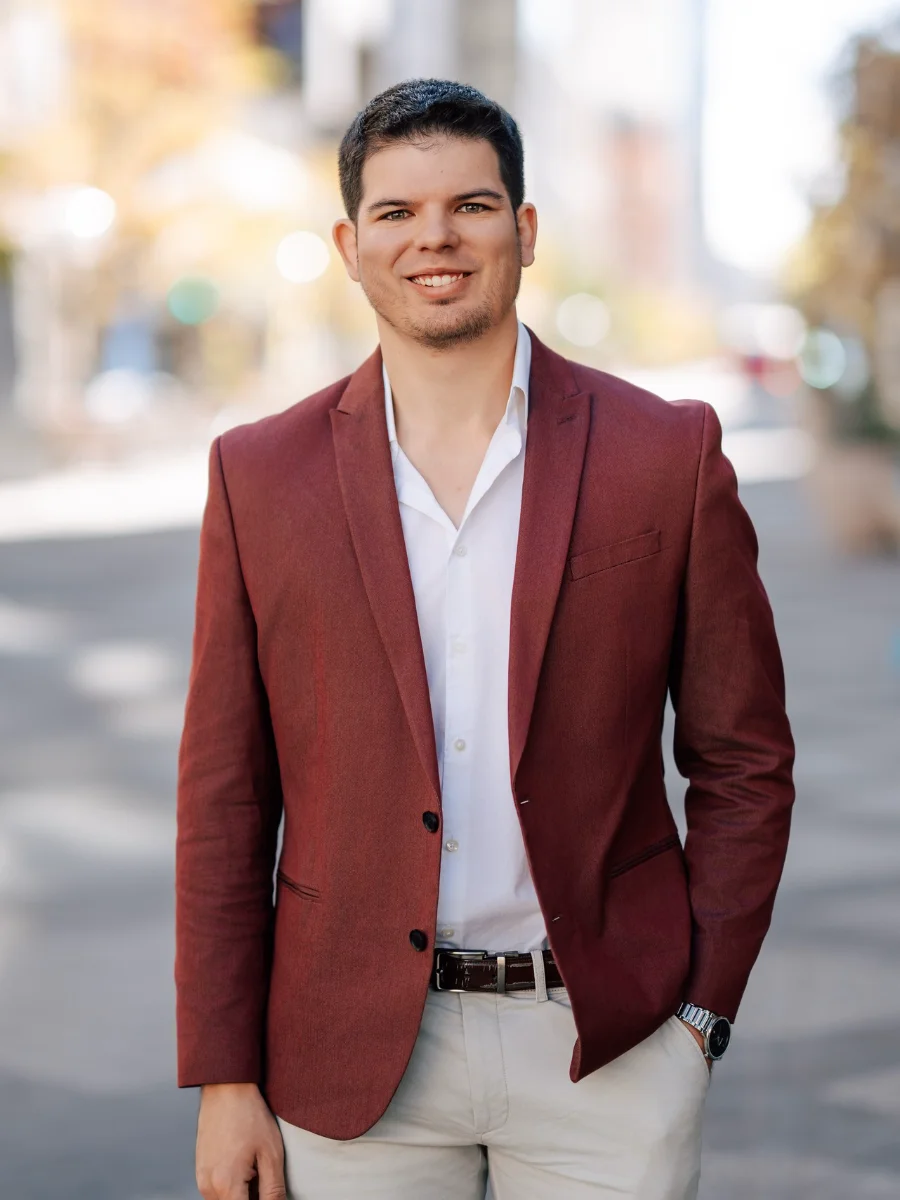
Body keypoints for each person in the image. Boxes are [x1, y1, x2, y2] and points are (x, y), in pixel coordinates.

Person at [175, 78, 796, 1200]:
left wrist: (700, 1017)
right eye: (396, 213)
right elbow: (224, 793)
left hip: (605, 1047)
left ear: (527, 229)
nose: (435, 239)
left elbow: (744, 758)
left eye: (470, 205)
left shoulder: (666, 453)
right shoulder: (259, 475)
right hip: (349, 1065)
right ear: (348, 243)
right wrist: (226, 1077)